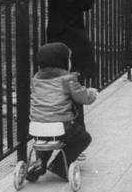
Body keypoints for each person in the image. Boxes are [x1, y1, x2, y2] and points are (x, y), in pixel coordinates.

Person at [13, 0, 95, 124]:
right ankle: (75, 129)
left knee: (64, 90)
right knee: (73, 90)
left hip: (66, 49)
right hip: (78, 45)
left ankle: (72, 133)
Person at [25, 42, 97, 181]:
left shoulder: (36, 79)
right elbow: (83, 97)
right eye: (69, 59)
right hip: (61, 126)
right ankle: (59, 166)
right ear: (62, 62)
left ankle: (40, 163)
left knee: (46, 139)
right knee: (83, 138)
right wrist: (92, 93)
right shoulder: (67, 79)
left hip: (36, 126)